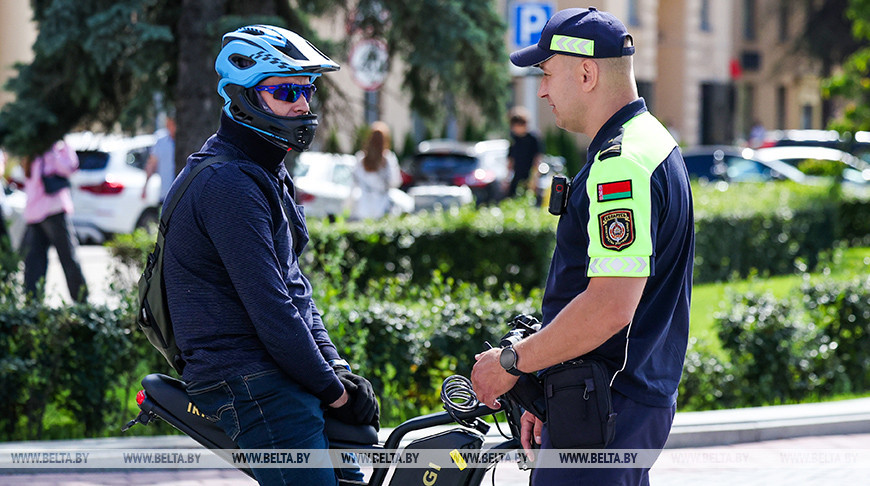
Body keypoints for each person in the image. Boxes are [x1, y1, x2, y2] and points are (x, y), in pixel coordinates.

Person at [470, 7, 694, 486]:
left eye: (547, 73)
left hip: (606, 411)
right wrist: (549, 391)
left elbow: (610, 305)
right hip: (608, 407)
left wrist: (511, 363)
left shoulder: (620, 165)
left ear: (587, 72)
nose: (543, 90)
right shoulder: (651, 141)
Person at [163, 25, 375, 486]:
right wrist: (332, 391)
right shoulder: (229, 184)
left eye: (307, 89)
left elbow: (295, 288)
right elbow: (271, 308)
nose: (302, 104)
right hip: (249, 378)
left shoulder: (262, 171)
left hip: (277, 370)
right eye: (284, 90)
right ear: (245, 97)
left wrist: (336, 370)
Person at [21, 140, 89, 303]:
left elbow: (70, 168)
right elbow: (70, 167)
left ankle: (34, 302)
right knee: (44, 260)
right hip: (47, 211)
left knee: (41, 259)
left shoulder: (46, 150)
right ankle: (80, 301)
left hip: (42, 211)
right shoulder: (40, 151)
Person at [350, 121, 402, 220]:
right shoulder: (388, 158)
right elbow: (395, 181)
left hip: (363, 204)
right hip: (382, 204)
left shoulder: (361, 158)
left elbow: (354, 181)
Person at [506, 107, 545, 200]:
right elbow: (510, 159)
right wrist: (507, 178)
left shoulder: (533, 138)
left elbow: (538, 158)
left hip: (530, 173)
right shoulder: (514, 139)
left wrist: (535, 178)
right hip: (517, 174)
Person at [142, 114, 176, 202]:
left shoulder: (187, 139)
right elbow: (152, 164)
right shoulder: (161, 140)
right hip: (165, 194)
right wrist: (145, 187)